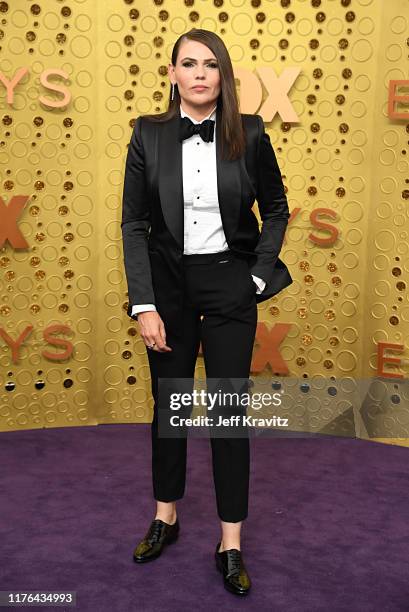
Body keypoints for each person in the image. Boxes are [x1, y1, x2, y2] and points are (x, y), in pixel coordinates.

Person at [121, 28, 292, 596]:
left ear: (224, 76)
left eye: (210, 64)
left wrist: (255, 276)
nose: (199, 73)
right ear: (171, 74)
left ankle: (231, 541)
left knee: (225, 413)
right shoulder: (148, 134)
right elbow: (134, 224)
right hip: (166, 289)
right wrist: (144, 304)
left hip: (229, 285)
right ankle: (165, 518)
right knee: (169, 407)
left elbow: (275, 209)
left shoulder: (251, 133)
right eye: (188, 63)